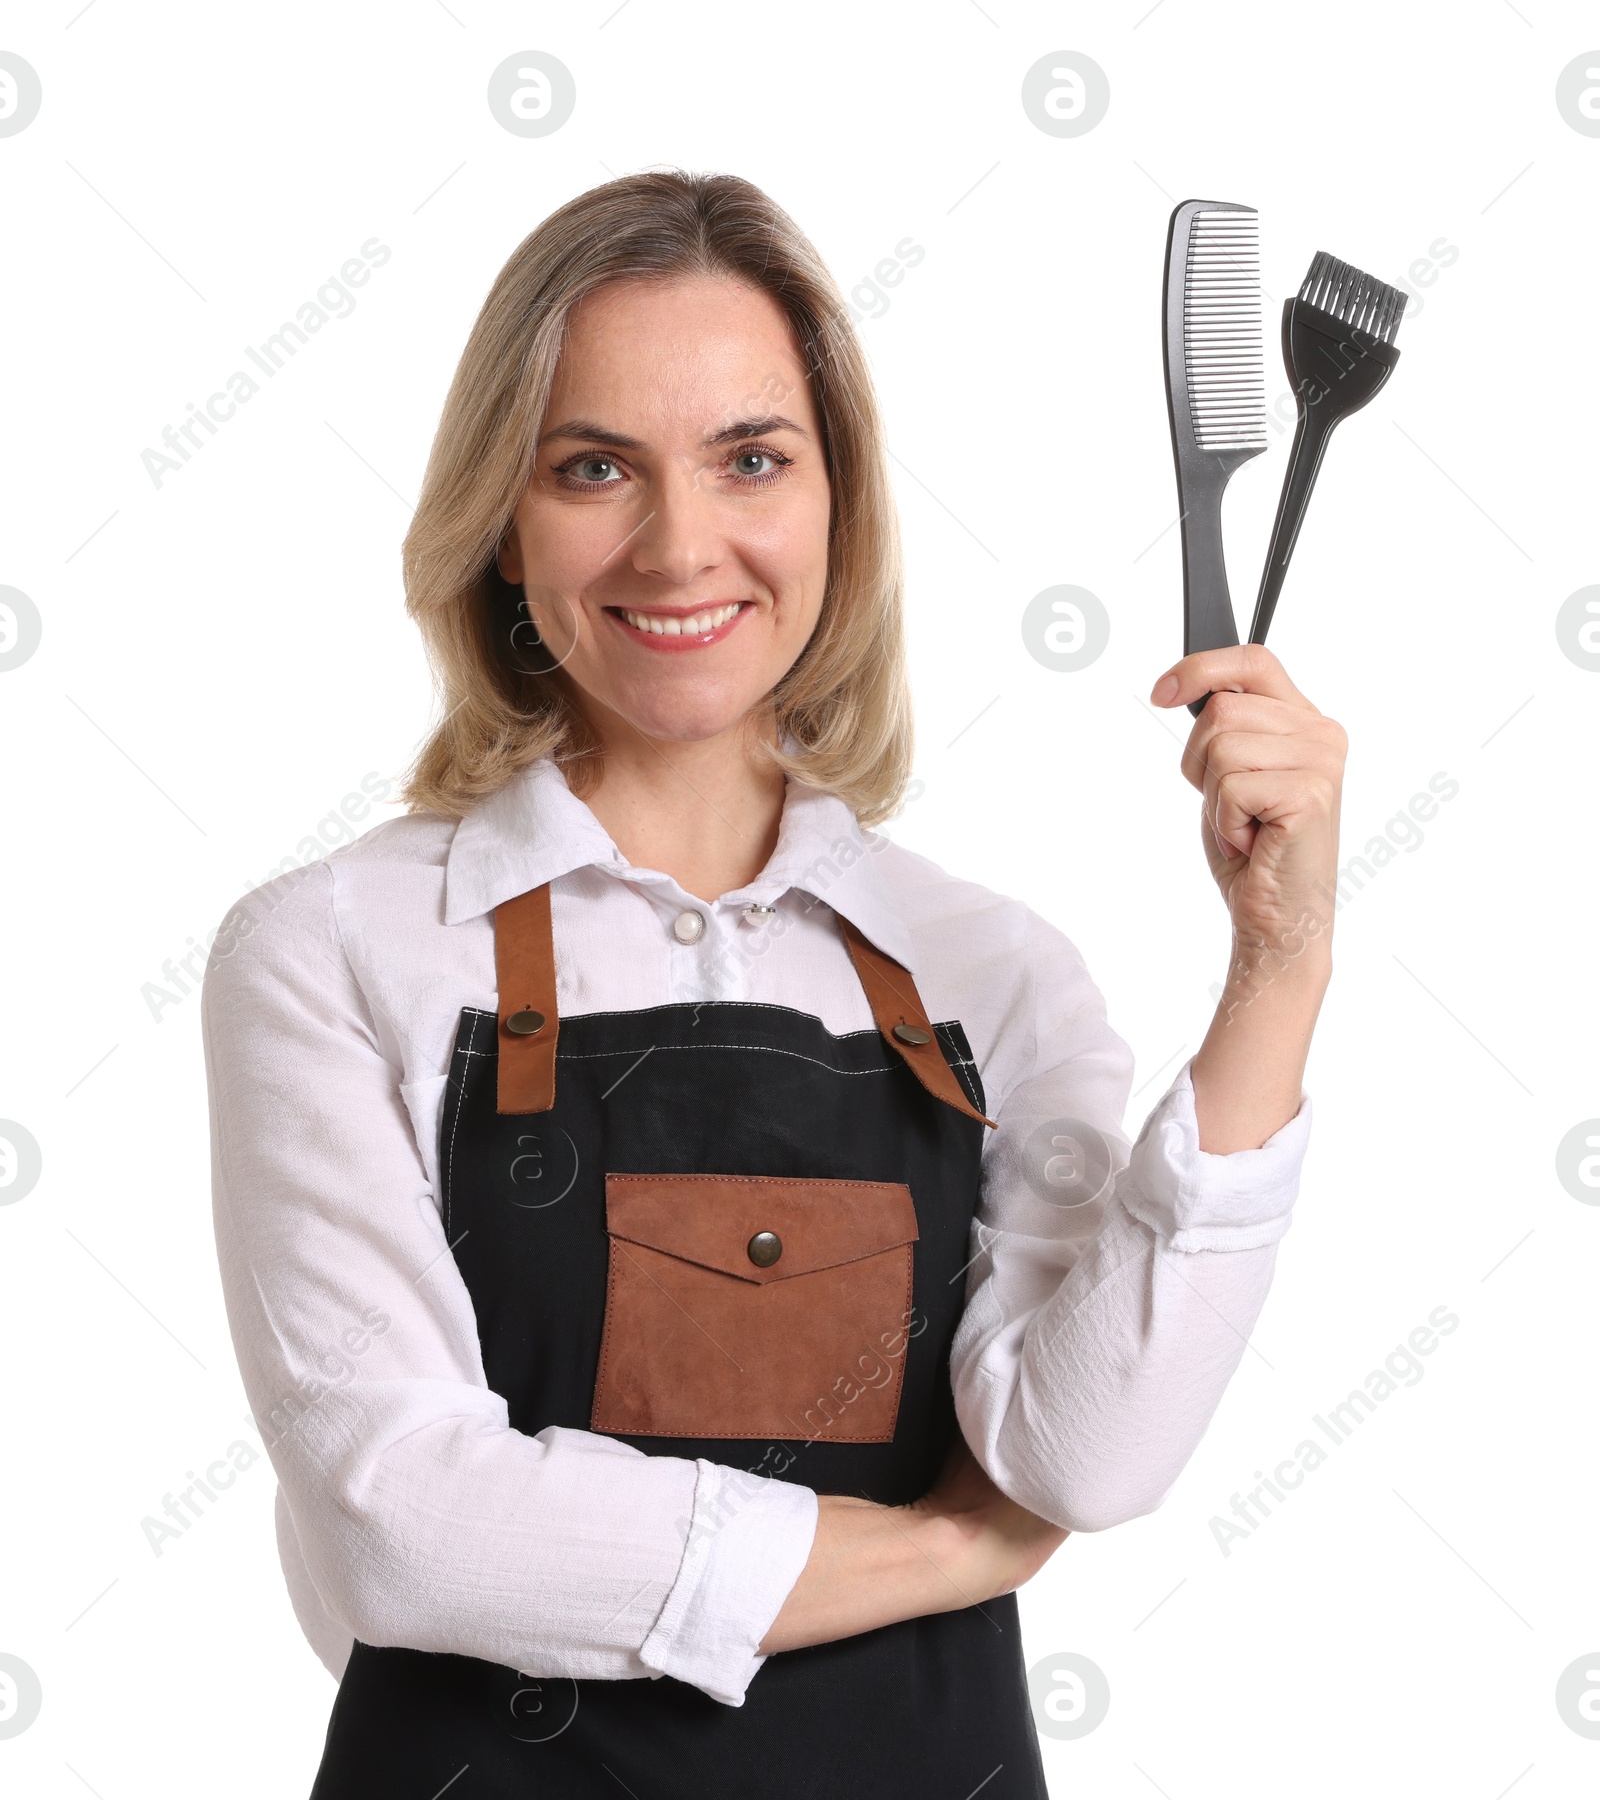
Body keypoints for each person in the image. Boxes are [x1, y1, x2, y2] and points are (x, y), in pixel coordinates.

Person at [201, 169, 1344, 1798]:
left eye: (753, 459)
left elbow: (1085, 1452)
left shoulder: (994, 974)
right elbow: (405, 1523)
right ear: (502, 527)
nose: (682, 545)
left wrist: (1279, 965)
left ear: (838, 509)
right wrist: (946, 1551)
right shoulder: (331, 951)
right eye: (594, 467)